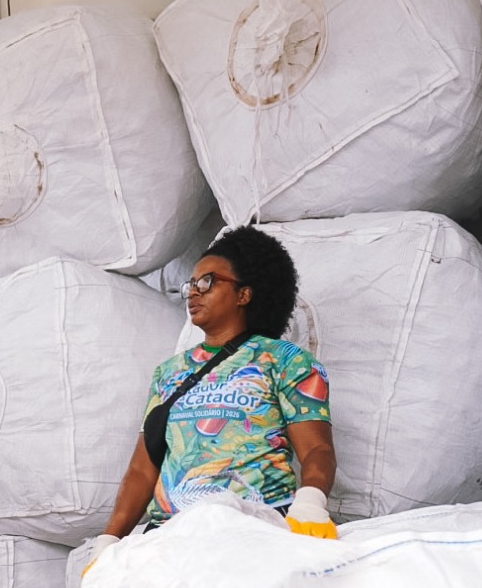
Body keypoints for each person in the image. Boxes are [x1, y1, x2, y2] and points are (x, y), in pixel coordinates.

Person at [82, 226, 338, 570]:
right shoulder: (169, 373)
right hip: (169, 540)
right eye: (191, 284)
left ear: (244, 294)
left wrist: (310, 503)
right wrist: (109, 541)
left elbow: (317, 448)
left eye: (207, 282)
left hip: (252, 535)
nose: (193, 293)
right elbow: (143, 469)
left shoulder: (286, 361)